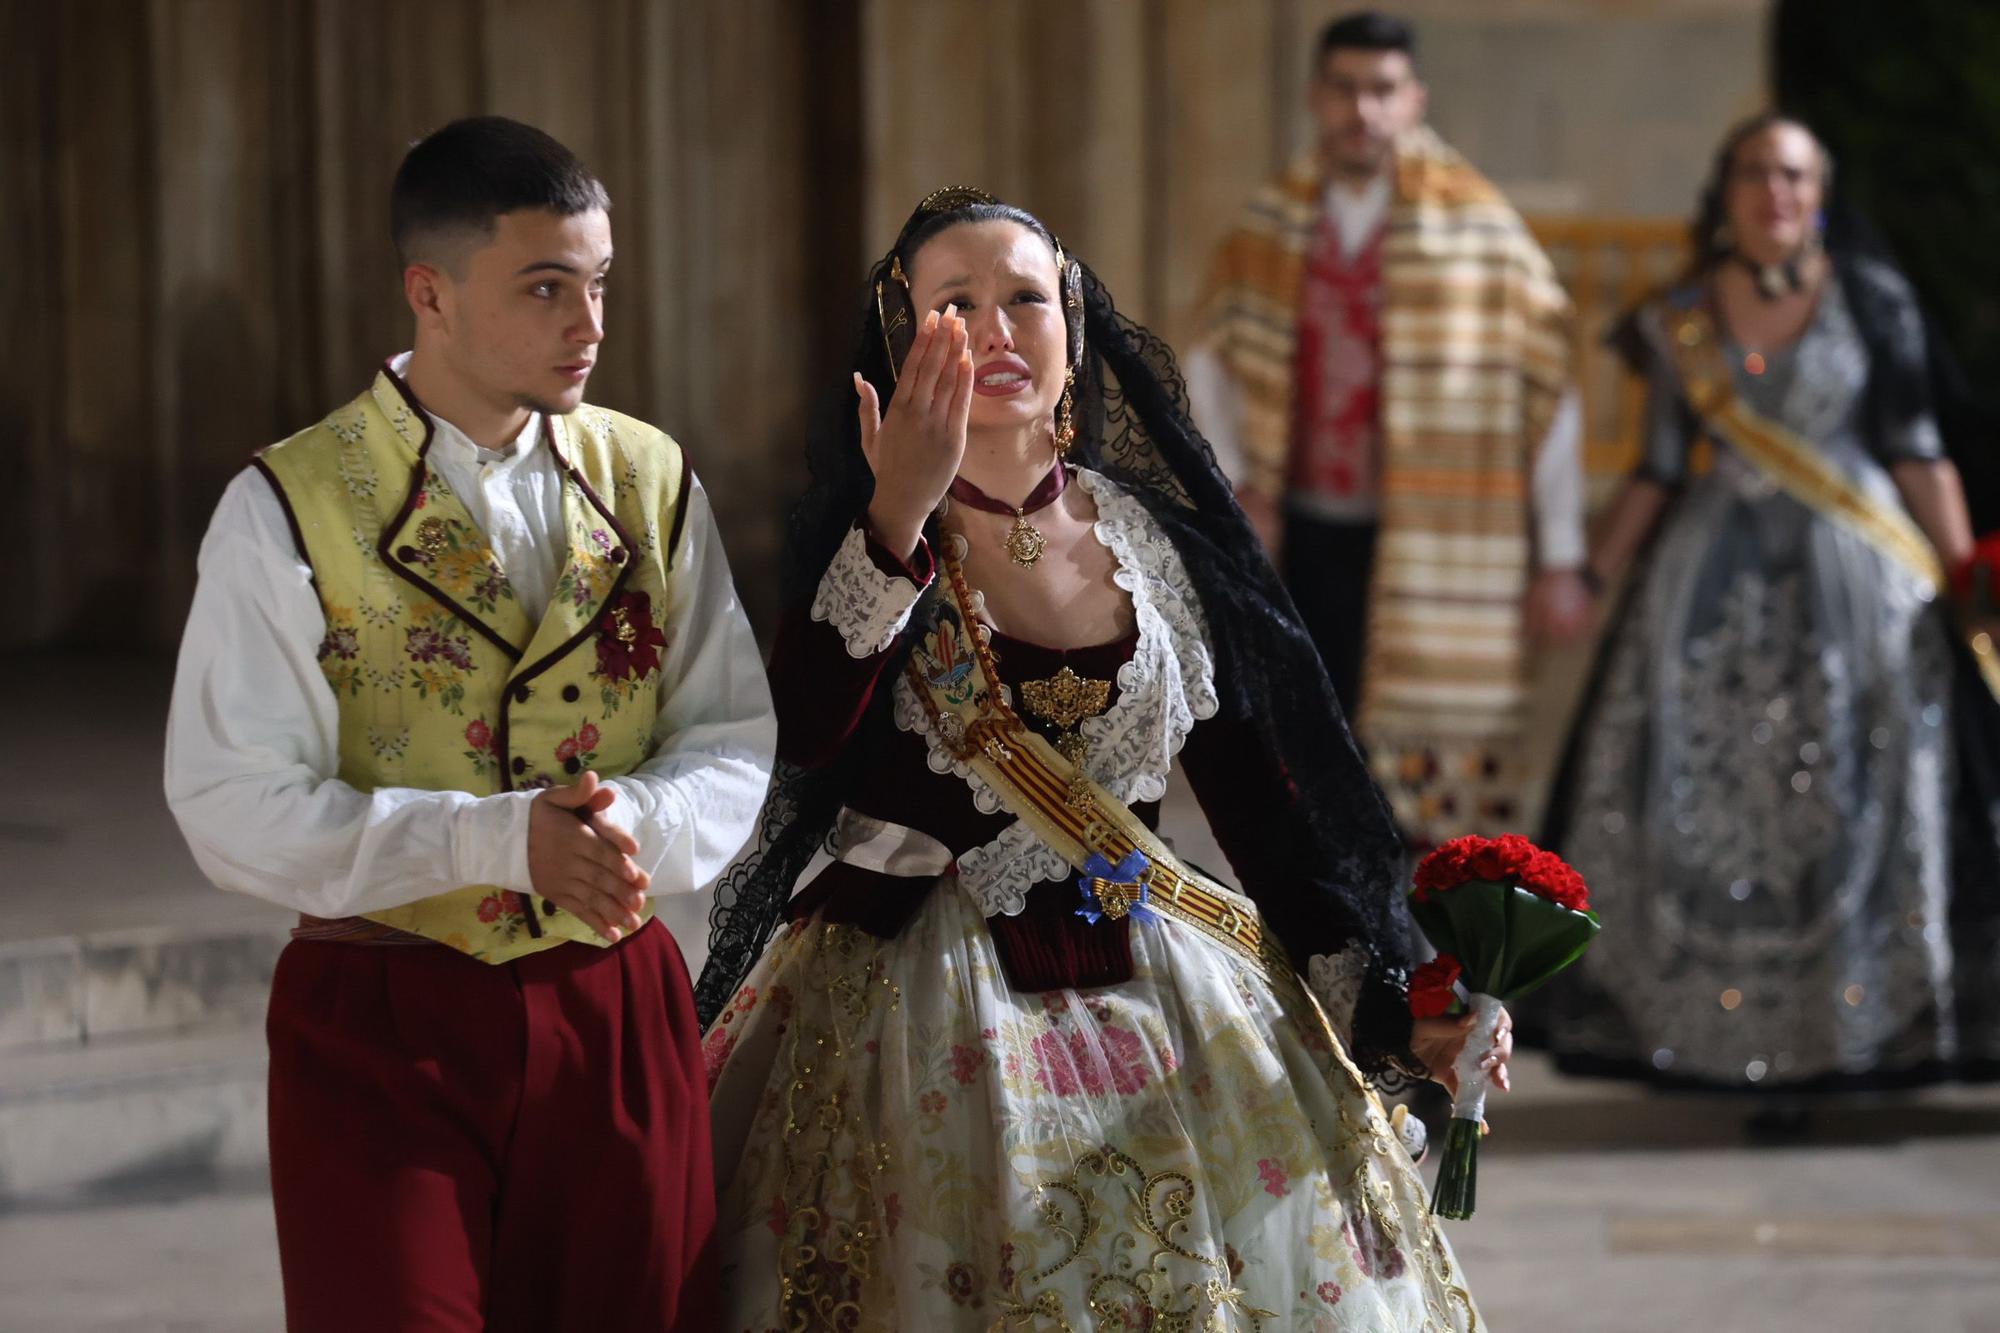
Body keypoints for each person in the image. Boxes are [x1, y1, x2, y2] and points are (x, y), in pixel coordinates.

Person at [695, 188, 1507, 1330]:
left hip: (1158, 968)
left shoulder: (1155, 544)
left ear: (1072, 326)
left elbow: (1268, 820)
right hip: (917, 994)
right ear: (899, 335)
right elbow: (798, 746)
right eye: (954, 305)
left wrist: (1393, 1007)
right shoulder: (866, 532)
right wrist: (895, 520)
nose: (993, 331)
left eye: (1025, 298)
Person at [164, 116, 775, 1330]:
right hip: (385, 1018)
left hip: (616, 1008)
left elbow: (730, 735)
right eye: (546, 287)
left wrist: (628, 823)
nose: (588, 325)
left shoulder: (649, 479)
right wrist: (493, 842)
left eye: (597, 283)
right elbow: (230, 803)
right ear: (428, 293)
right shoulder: (287, 503)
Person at [1537, 112, 2000, 1112]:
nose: (1774, 193)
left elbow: (1917, 448)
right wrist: (1586, 574)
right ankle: (1732, 1043)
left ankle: (1850, 1036)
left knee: (1858, 802)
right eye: (1755, 173)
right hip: (1710, 585)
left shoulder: (1872, 300)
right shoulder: (1682, 318)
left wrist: (1969, 581)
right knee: (1704, 798)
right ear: (1727, 192)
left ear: (1817, 194)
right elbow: (1659, 470)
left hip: (1860, 586)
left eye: (1792, 176)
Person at [1189, 10, 1587, 847]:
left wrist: (1560, 556)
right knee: (1307, 750)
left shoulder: (1481, 233)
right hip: (1303, 531)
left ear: (1414, 101)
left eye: (1382, 91)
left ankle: (1428, 952)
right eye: (1344, 89)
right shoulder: (1268, 228)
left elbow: (1548, 386)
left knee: (1419, 787)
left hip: (1440, 539)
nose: (1361, 111)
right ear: (1315, 97)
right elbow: (1214, 358)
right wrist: (1239, 487)